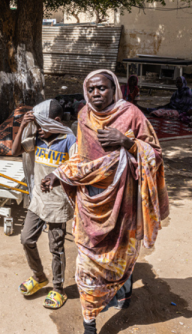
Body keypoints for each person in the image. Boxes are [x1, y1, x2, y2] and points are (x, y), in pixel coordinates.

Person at [41, 70, 169, 334]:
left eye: (102, 88)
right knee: (87, 260)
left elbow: (154, 155)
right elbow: (81, 158)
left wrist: (127, 142)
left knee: (121, 252)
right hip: (91, 202)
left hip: (124, 202)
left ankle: (124, 286)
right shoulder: (83, 116)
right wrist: (58, 174)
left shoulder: (132, 114)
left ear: (114, 89)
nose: (96, 94)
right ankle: (89, 322)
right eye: (91, 89)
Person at [10, 99, 76, 310]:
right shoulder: (37, 139)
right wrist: (22, 126)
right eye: (36, 125)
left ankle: (58, 289)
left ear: (56, 121)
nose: (38, 130)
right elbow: (14, 151)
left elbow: (77, 170)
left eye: (41, 125)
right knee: (26, 238)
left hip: (57, 204)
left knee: (56, 248)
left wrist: (59, 176)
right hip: (38, 200)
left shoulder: (68, 140)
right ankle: (39, 276)